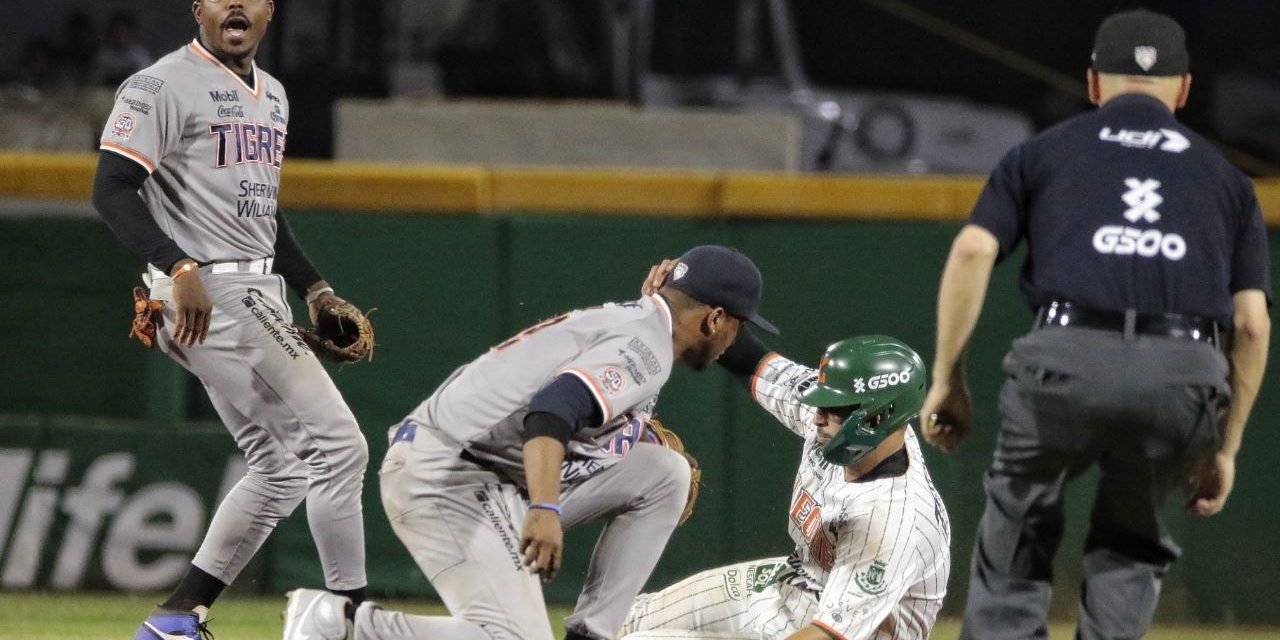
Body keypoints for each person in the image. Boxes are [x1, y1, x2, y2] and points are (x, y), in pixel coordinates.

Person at [920, 9, 1271, 640]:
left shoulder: (1040, 153)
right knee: (1131, 541)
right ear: (1184, 90)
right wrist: (1226, 445)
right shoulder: (1229, 182)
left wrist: (948, 378)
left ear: (1092, 83)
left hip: (1064, 358)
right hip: (1182, 373)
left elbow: (972, 251)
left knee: (1018, 527)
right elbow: (1251, 325)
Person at [282, 245, 778, 640]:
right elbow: (551, 411)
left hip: (482, 470)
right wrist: (545, 507)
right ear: (714, 320)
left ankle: (593, 634)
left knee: (664, 473)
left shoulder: (640, 322)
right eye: (736, 326)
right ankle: (342, 625)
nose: (734, 340)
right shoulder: (645, 348)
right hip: (447, 474)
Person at [91, 1, 373, 638]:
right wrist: (179, 266)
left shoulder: (271, 93)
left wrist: (316, 290)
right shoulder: (158, 83)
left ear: (271, 11)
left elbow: (264, 212)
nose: (236, 4)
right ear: (199, 9)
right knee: (339, 447)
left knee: (282, 468)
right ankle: (348, 622)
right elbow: (110, 188)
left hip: (255, 286)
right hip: (206, 289)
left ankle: (173, 620)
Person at [619, 335, 951, 640]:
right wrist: (686, 301)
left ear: (877, 418)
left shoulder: (893, 521)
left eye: (830, 409)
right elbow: (752, 360)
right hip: (791, 590)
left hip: (831, 630)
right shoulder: (853, 418)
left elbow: (827, 636)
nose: (816, 416)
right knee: (623, 621)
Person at [94, 10, 154, 87]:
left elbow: (148, 82)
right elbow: (95, 81)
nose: (120, 37)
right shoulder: (104, 55)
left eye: (124, 32)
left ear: (132, 33)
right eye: (116, 32)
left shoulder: (140, 56)